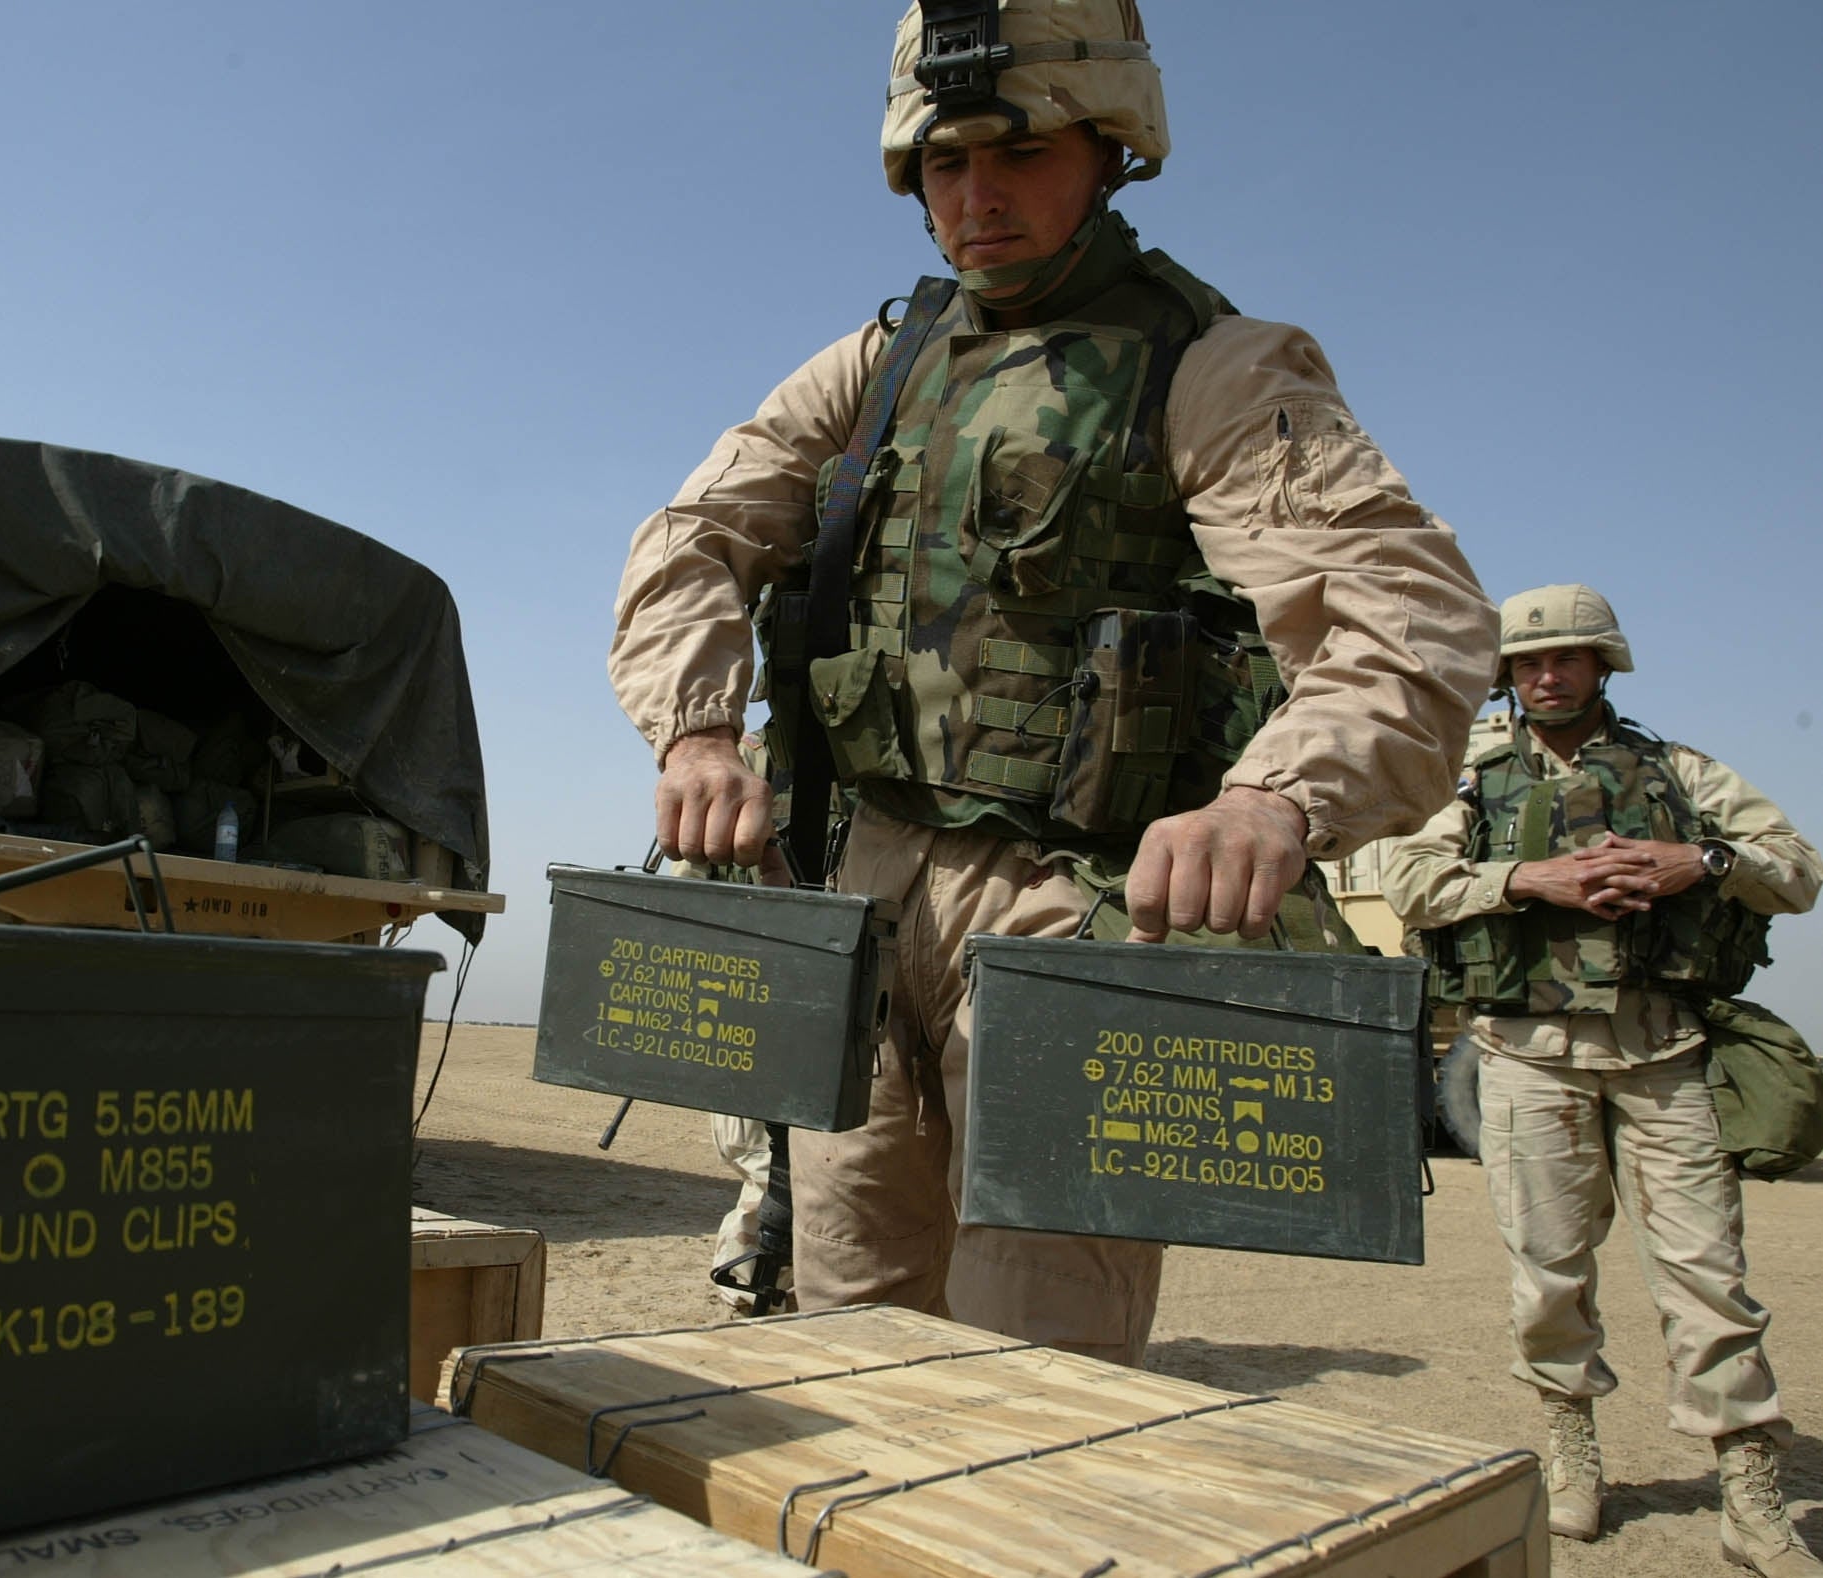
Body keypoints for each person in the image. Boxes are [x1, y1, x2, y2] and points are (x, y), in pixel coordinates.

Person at [609, 0, 1497, 1368]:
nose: (976, 197)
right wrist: (697, 729)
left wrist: (1270, 799)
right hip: (858, 892)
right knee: (844, 1338)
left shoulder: (1211, 365)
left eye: (1014, 153)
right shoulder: (878, 362)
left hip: (1064, 914)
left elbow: (1409, 621)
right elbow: (692, 536)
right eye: (943, 165)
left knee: (1030, 1367)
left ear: (1109, 147)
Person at [1381, 585, 1821, 1571]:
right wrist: (1527, 879)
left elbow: (1797, 867)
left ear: (1603, 663)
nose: (1548, 675)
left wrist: (1695, 860)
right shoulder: (1469, 777)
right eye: (1530, 662)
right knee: (1549, 1277)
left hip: (1662, 1051)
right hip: (1529, 1057)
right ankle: (1572, 1452)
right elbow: (1407, 877)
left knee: (1712, 1280)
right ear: (1503, 673)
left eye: (1568, 657)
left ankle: (1749, 1492)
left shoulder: (1679, 772)